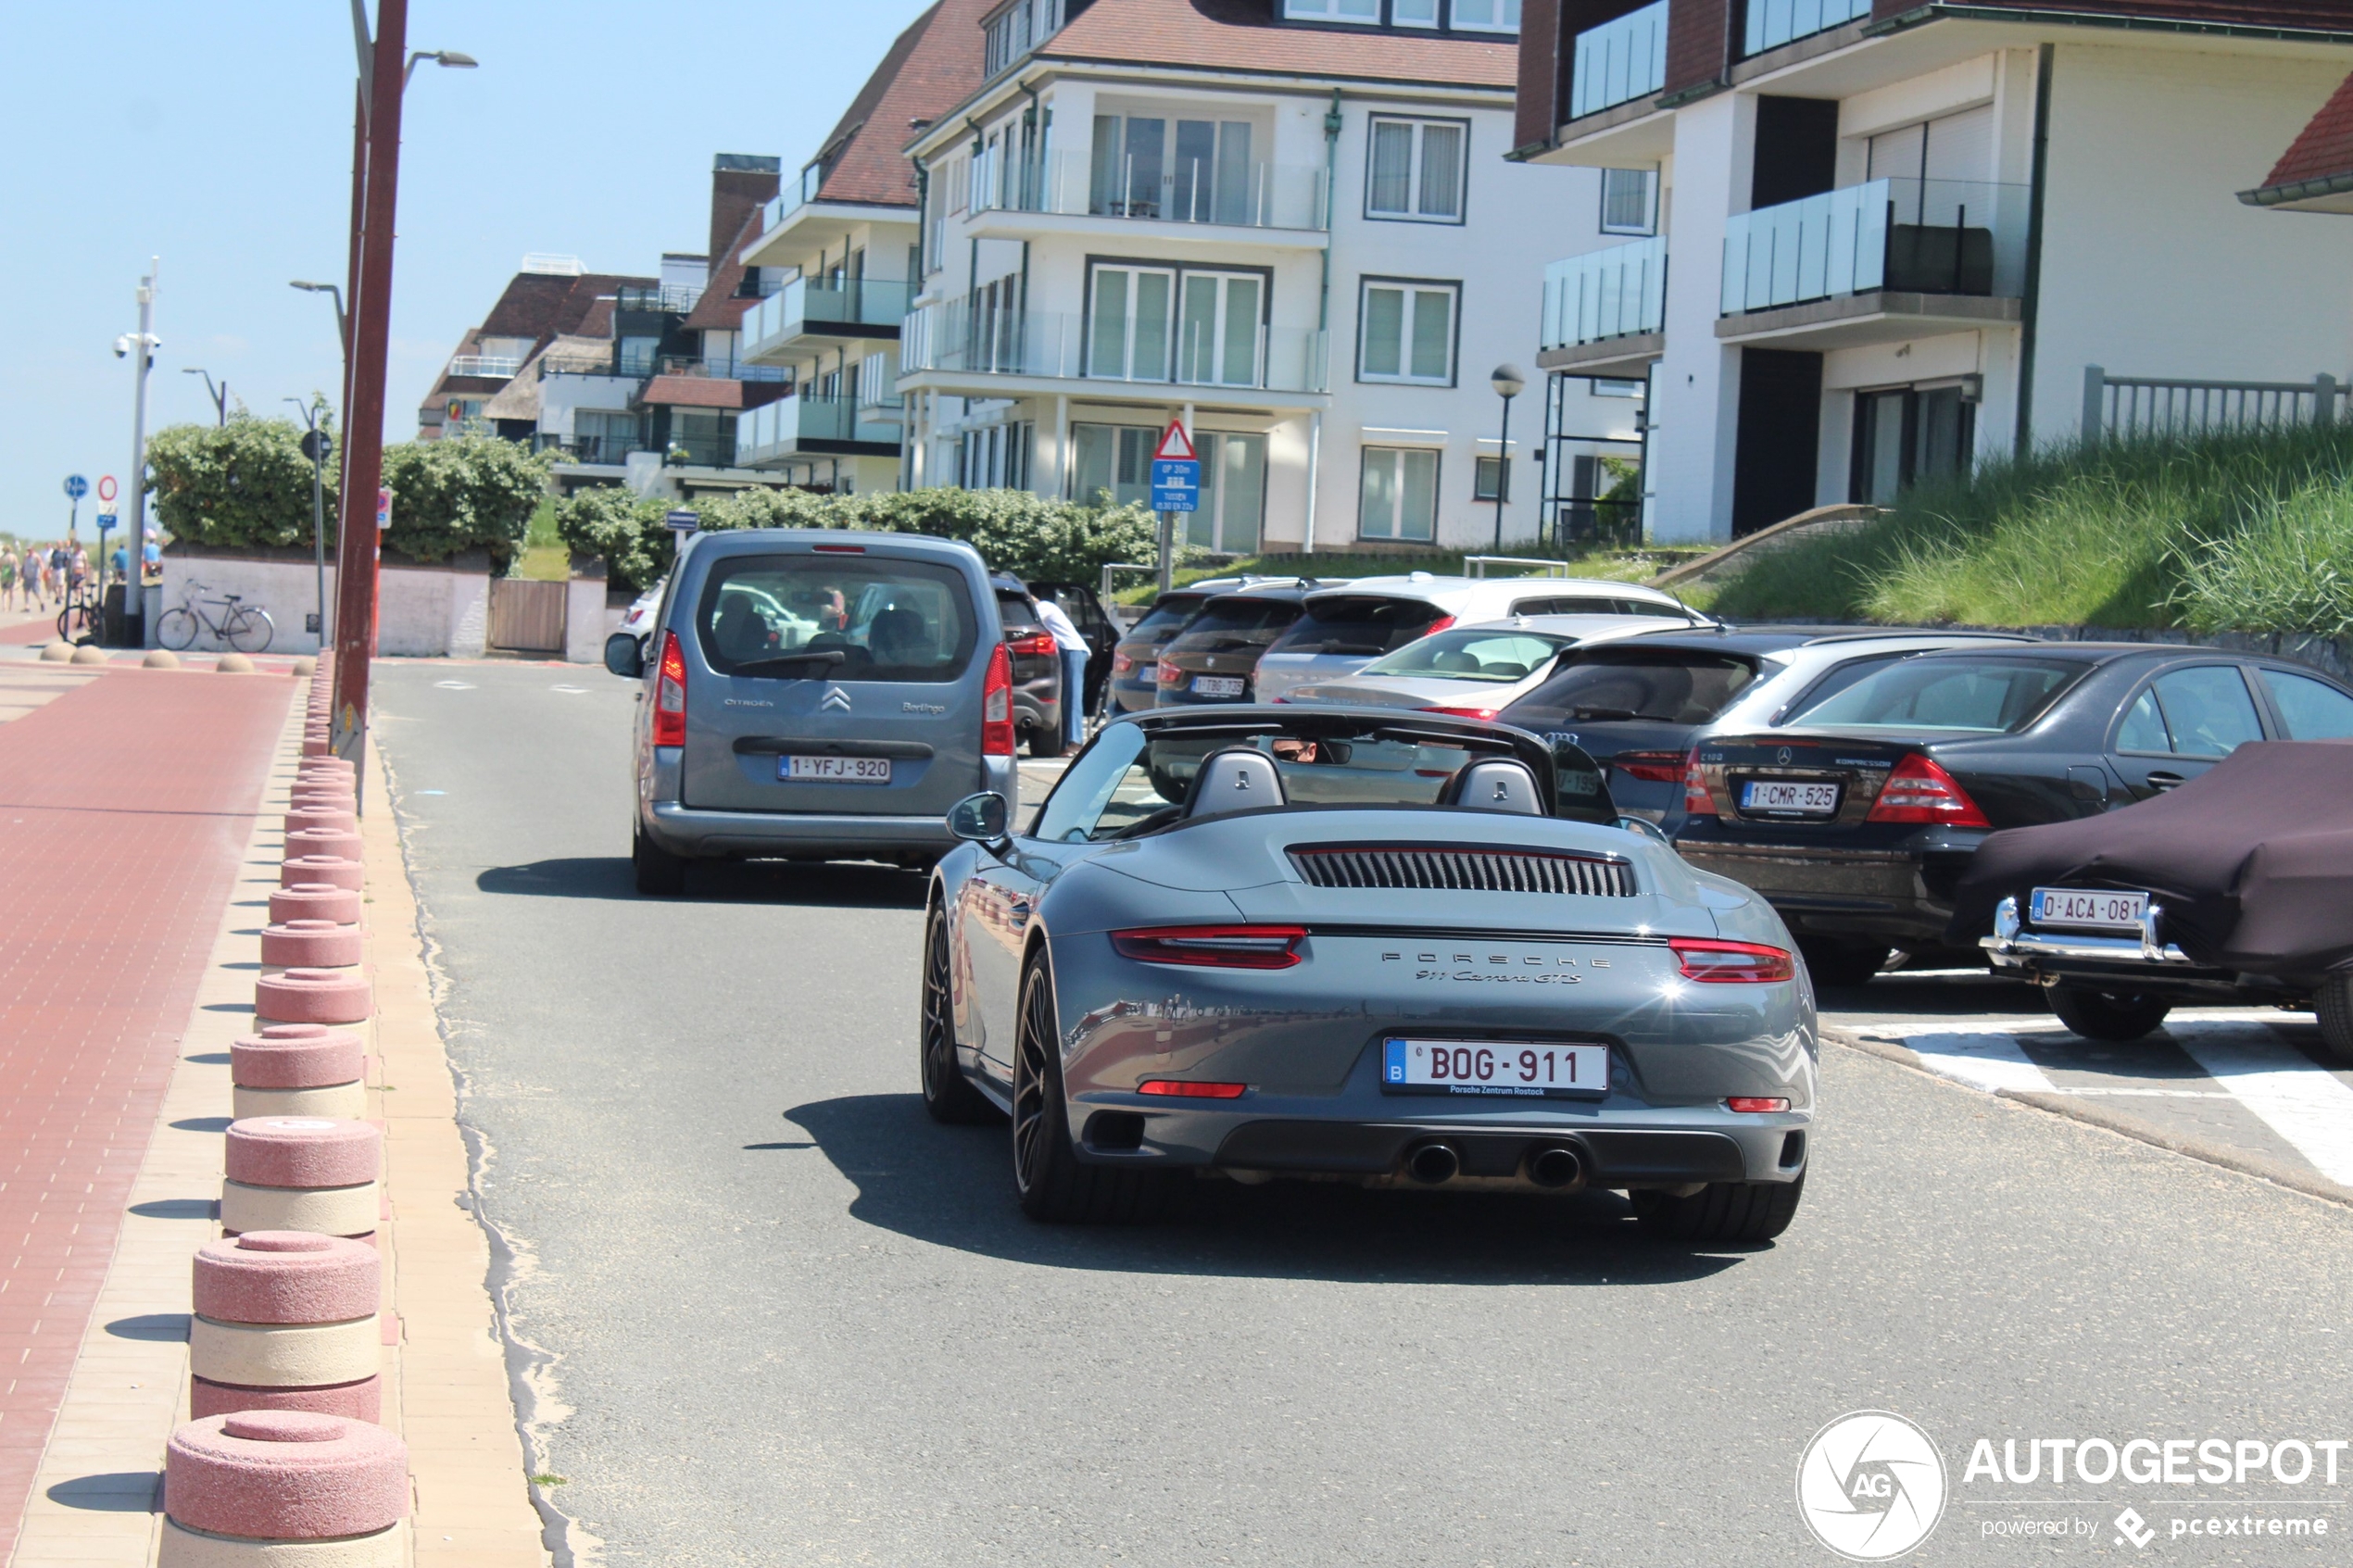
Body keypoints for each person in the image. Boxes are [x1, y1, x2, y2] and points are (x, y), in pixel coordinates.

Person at [1034, 589, 1091, 747]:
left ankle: (1075, 741)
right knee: (1065, 697)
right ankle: (1066, 741)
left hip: (1072, 649)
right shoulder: (1046, 607)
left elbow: (1033, 621)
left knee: (1072, 696)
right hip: (1064, 651)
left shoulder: (1045, 606)